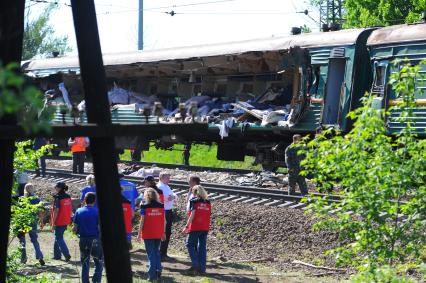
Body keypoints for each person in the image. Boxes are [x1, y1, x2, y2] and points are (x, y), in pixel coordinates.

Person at [73, 193, 103, 283]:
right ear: (94, 201)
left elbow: (74, 228)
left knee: (85, 262)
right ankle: (96, 280)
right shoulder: (98, 211)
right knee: (98, 262)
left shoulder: (79, 211)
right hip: (95, 239)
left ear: (84, 200)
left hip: (83, 239)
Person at [138, 188, 165, 282]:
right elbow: (164, 220)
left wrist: (138, 233)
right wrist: (163, 232)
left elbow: (142, 221)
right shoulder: (161, 206)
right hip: (158, 232)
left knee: (151, 254)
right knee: (156, 252)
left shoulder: (144, 206)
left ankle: (152, 275)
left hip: (148, 233)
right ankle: (158, 270)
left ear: (147, 196)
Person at [183, 185, 211, 275]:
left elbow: (192, 214)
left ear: (194, 192)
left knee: (190, 244)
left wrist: (187, 226)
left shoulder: (193, 201)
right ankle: (202, 268)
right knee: (202, 247)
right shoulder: (208, 202)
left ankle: (195, 265)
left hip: (195, 226)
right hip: (205, 227)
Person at [17, 183, 45, 266]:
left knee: (22, 240)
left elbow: (18, 212)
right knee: (34, 240)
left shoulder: (21, 199)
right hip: (32, 222)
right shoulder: (37, 199)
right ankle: (40, 257)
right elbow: (40, 213)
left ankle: (23, 259)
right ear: (33, 189)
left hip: (23, 222)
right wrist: (41, 222)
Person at [157, 172, 177, 261]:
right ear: (161, 178)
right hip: (164, 211)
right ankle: (161, 253)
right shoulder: (160, 187)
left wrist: (172, 197)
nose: (169, 179)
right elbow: (166, 198)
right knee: (164, 232)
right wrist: (172, 197)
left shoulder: (166, 186)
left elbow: (175, 196)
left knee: (168, 232)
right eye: (167, 178)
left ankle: (163, 252)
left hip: (168, 210)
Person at [50, 182, 72, 261]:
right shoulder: (68, 197)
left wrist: (52, 223)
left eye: (56, 187)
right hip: (66, 220)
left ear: (59, 188)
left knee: (59, 238)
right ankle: (57, 255)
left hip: (59, 221)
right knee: (58, 237)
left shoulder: (58, 198)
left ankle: (66, 254)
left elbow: (56, 211)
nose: (55, 188)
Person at [119, 173, 139, 244]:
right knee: (128, 225)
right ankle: (128, 243)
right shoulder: (132, 185)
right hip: (130, 209)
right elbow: (136, 198)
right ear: (123, 177)